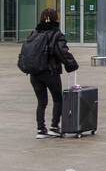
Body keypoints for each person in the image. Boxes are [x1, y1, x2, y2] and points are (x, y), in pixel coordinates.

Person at [24, 8, 78, 138]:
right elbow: (62, 52)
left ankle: (40, 129)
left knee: (41, 102)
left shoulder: (34, 33)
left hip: (34, 73)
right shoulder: (56, 34)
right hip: (50, 72)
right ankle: (54, 126)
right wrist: (71, 65)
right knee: (58, 99)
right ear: (55, 18)